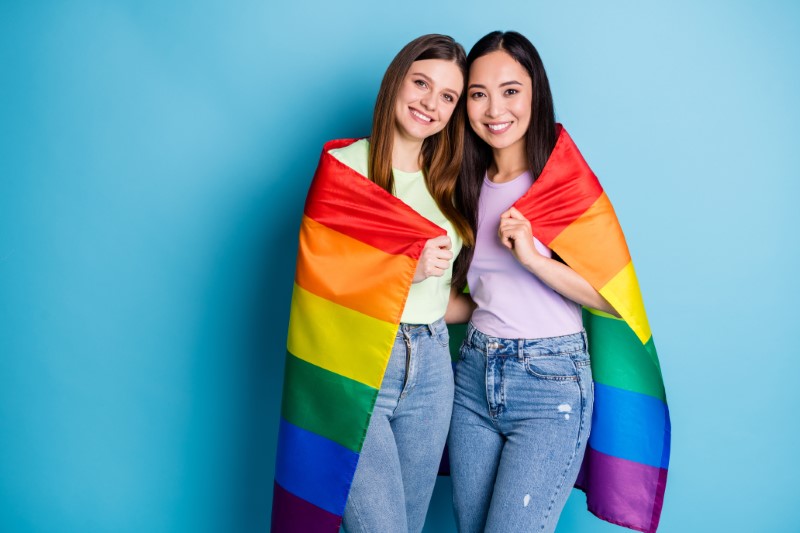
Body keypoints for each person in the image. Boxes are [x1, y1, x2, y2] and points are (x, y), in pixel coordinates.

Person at [271, 34, 473, 533]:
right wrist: (406, 263)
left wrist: (514, 295)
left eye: (448, 97)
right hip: (359, 366)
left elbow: (442, 300)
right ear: (396, 81)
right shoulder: (344, 170)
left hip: (430, 368)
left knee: (407, 524)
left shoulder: (449, 182)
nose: (431, 103)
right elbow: (322, 283)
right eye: (421, 83)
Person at [446, 31, 618, 532]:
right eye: (478, 94)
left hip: (550, 382)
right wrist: (397, 297)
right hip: (473, 379)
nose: (494, 108)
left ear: (535, 93)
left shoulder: (560, 180)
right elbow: (473, 302)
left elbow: (610, 299)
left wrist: (535, 261)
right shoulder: (461, 185)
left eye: (510, 90)